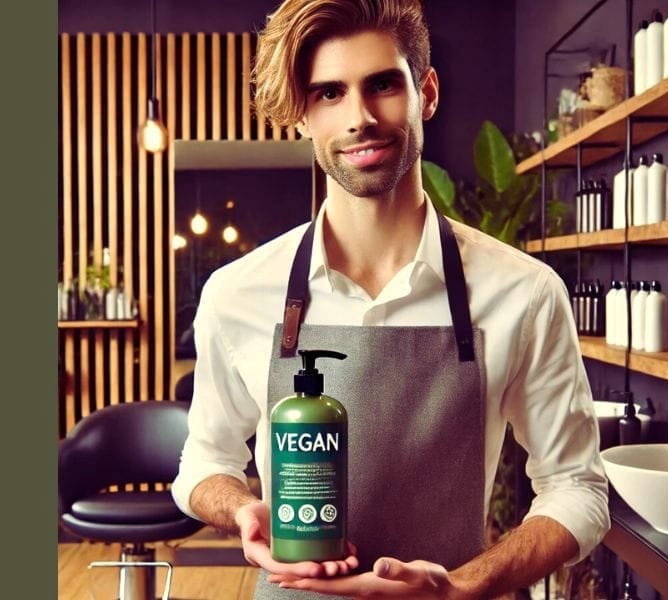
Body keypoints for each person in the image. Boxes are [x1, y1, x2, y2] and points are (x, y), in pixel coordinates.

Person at [172, 1, 610, 598]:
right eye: (328, 93)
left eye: (382, 85)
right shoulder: (237, 293)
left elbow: (577, 487)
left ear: (425, 92)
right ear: (303, 115)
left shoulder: (525, 293)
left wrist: (463, 585)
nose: (358, 117)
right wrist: (242, 509)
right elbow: (203, 464)